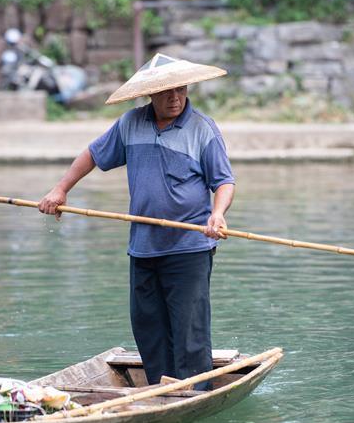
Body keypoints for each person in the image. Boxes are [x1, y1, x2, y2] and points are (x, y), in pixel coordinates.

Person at [38, 54, 235, 388]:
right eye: (166, 92)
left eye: (181, 90)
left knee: (189, 328)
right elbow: (92, 155)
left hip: (189, 247)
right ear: (150, 94)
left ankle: (193, 390)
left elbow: (224, 181)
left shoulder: (202, 129)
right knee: (147, 324)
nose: (175, 98)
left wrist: (217, 214)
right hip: (143, 247)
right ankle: (160, 388)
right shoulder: (130, 124)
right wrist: (60, 189)